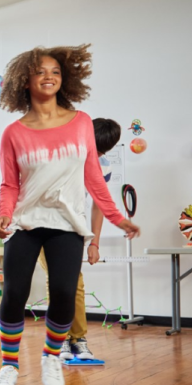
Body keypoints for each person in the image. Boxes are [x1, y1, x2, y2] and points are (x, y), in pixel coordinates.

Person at [0, 45, 140, 385]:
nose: (49, 76)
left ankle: (51, 356)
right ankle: (9, 366)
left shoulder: (81, 122)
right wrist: (4, 214)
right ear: (24, 80)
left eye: (56, 71)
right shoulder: (14, 132)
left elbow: (93, 177)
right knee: (14, 293)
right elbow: (10, 184)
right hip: (25, 221)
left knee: (63, 292)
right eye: (41, 71)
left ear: (65, 79)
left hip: (67, 223)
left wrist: (116, 218)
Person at [37, 118, 122, 361]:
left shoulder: (103, 165)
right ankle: (61, 337)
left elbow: (99, 204)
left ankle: (77, 339)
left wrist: (95, 242)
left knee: (75, 282)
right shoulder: (58, 155)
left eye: (102, 152)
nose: (97, 156)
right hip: (41, 223)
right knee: (59, 282)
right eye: (94, 149)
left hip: (72, 227)